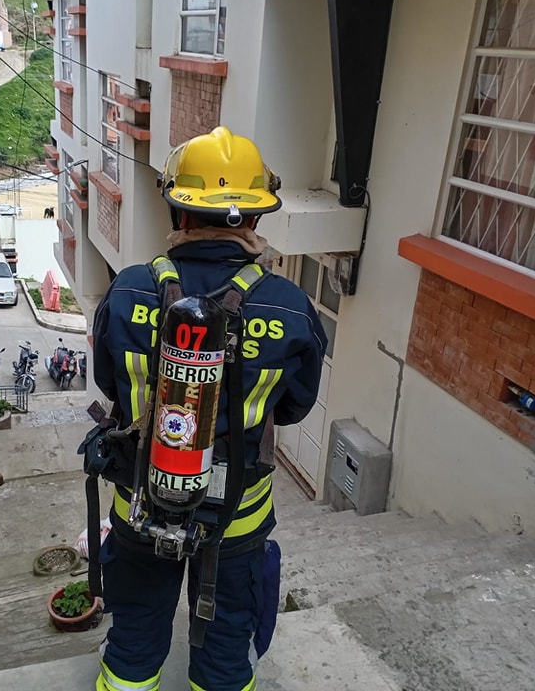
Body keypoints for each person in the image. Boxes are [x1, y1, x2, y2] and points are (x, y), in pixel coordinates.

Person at [91, 126, 327, 691]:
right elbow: (294, 407)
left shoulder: (127, 292)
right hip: (237, 517)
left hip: (143, 504)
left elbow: (111, 386)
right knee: (224, 654)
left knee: (132, 645)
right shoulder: (290, 308)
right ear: (255, 219)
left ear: (177, 211)